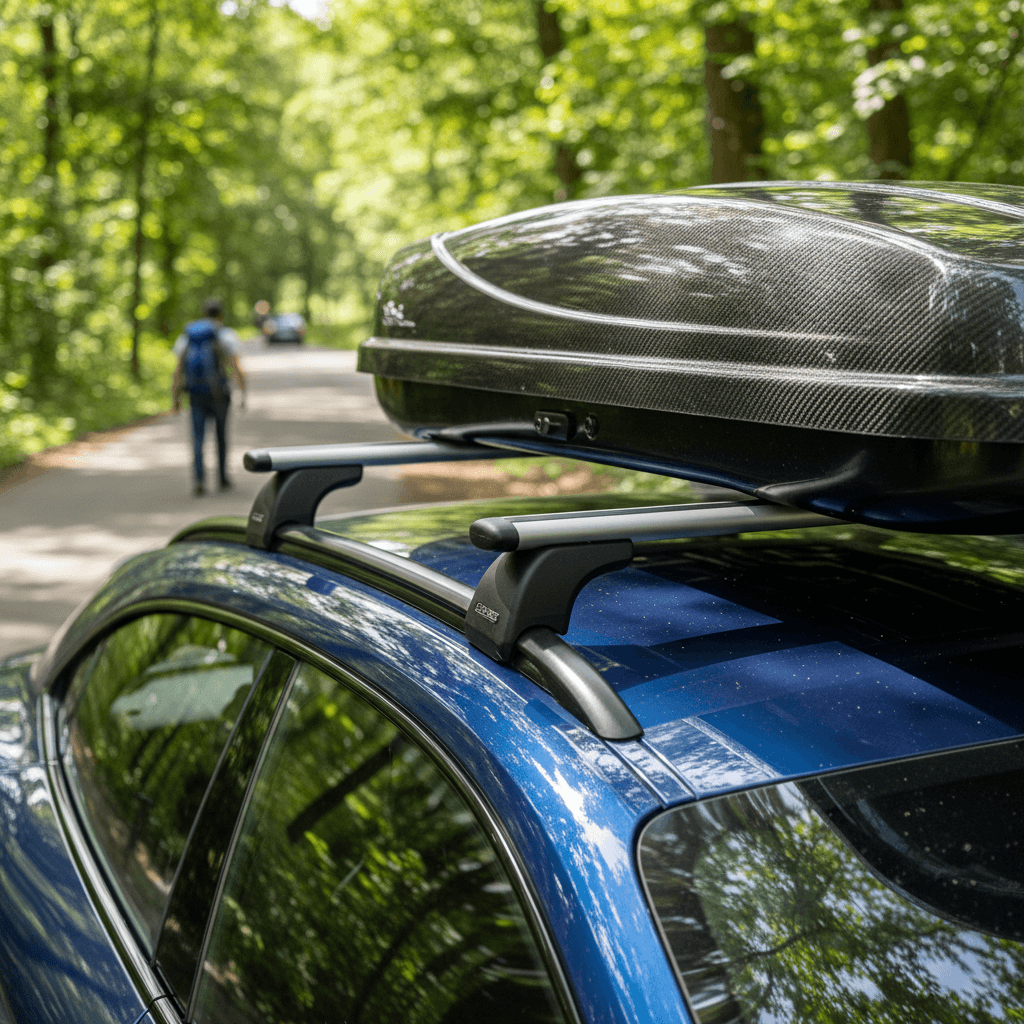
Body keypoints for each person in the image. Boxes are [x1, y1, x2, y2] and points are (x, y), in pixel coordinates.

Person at [172, 298, 247, 496]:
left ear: (204, 313)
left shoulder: (187, 336)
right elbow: (236, 367)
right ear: (221, 315)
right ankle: (222, 478)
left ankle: (199, 480)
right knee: (221, 437)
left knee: (198, 438)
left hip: (196, 394)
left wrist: (176, 398)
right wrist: (243, 393)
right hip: (220, 394)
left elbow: (178, 370)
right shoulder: (226, 336)